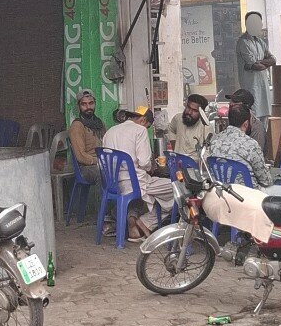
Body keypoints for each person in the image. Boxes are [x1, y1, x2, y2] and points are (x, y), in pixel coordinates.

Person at [103, 106, 174, 239]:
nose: (145, 128)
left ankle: (134, 223)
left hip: (112, 184)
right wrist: (152, 165)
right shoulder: (140, 130)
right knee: (176, 188)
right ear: (143, 120)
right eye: (147, 125)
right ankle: (146, 222)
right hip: (134, 183)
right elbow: (144, 163)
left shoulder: (110, 131)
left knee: (152, 189)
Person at [209, 105, 281, 197]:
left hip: (224, 194)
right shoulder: (251, 144)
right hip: (251, 195)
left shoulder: (214, 141)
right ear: (246, 124)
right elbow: (266, 181)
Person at [236, 11, 276, 123]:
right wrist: (261, 64)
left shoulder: (260, 42)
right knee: (253, 118)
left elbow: (273, 60)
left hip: (263, 87)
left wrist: (260, 63)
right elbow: (256, 66)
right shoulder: (243, 42)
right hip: (251, 88)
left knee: (265, 119)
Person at [68, 88, 106, 181]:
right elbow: (80, 156)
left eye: (91, 103)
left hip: (101, 162)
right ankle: (103, 196)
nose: (88, 107)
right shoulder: (77, 125)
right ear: (78, 106)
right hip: (85, 167)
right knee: (105, 174)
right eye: (84, 104)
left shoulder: (99, 123)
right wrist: (99, 162)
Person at [167, 93, 211, 158]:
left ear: (202, 112)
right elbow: (171, 130)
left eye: (195, 111)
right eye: (188, 107)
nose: (189, 112)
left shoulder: (206, 128)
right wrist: (174, 145)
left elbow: (207, 154)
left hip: (195, 166)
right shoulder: (178, 118)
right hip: (178, 164)